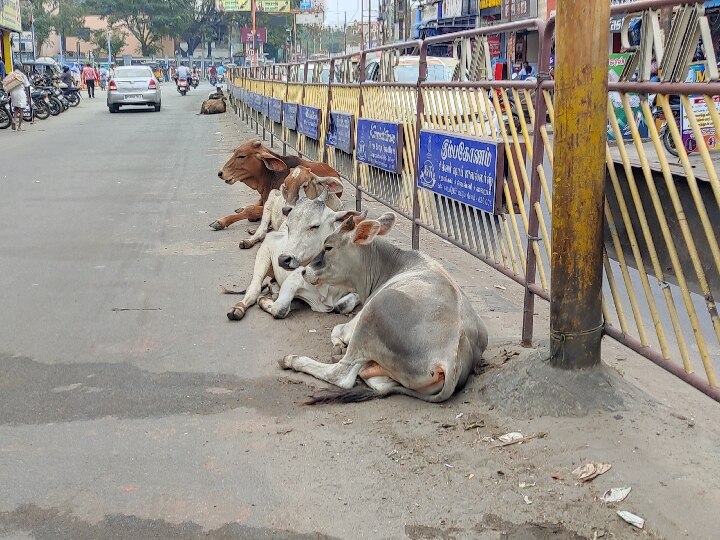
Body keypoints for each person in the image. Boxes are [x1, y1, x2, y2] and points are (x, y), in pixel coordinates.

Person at [8, 65, 31, 132]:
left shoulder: (11, 75)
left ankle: (14, 120)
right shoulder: (22, 75)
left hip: (13, 93)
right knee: (21, 111)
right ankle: (19, 127)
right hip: (21, 93)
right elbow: (26, 87)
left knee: (16, 108)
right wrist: (28, 97)